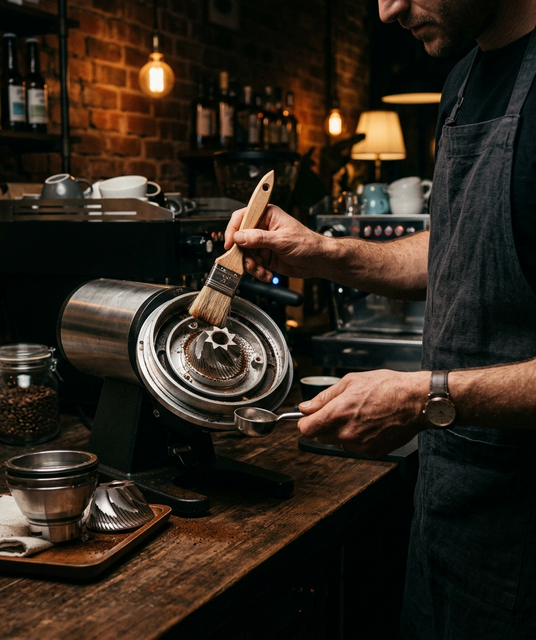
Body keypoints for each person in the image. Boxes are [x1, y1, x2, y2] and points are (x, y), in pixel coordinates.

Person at [224, 0, 536, 637]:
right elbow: (459, 246)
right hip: (449, 511)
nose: (387, 9)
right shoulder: (463, 79)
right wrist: (321, 252)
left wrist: (428, 398)